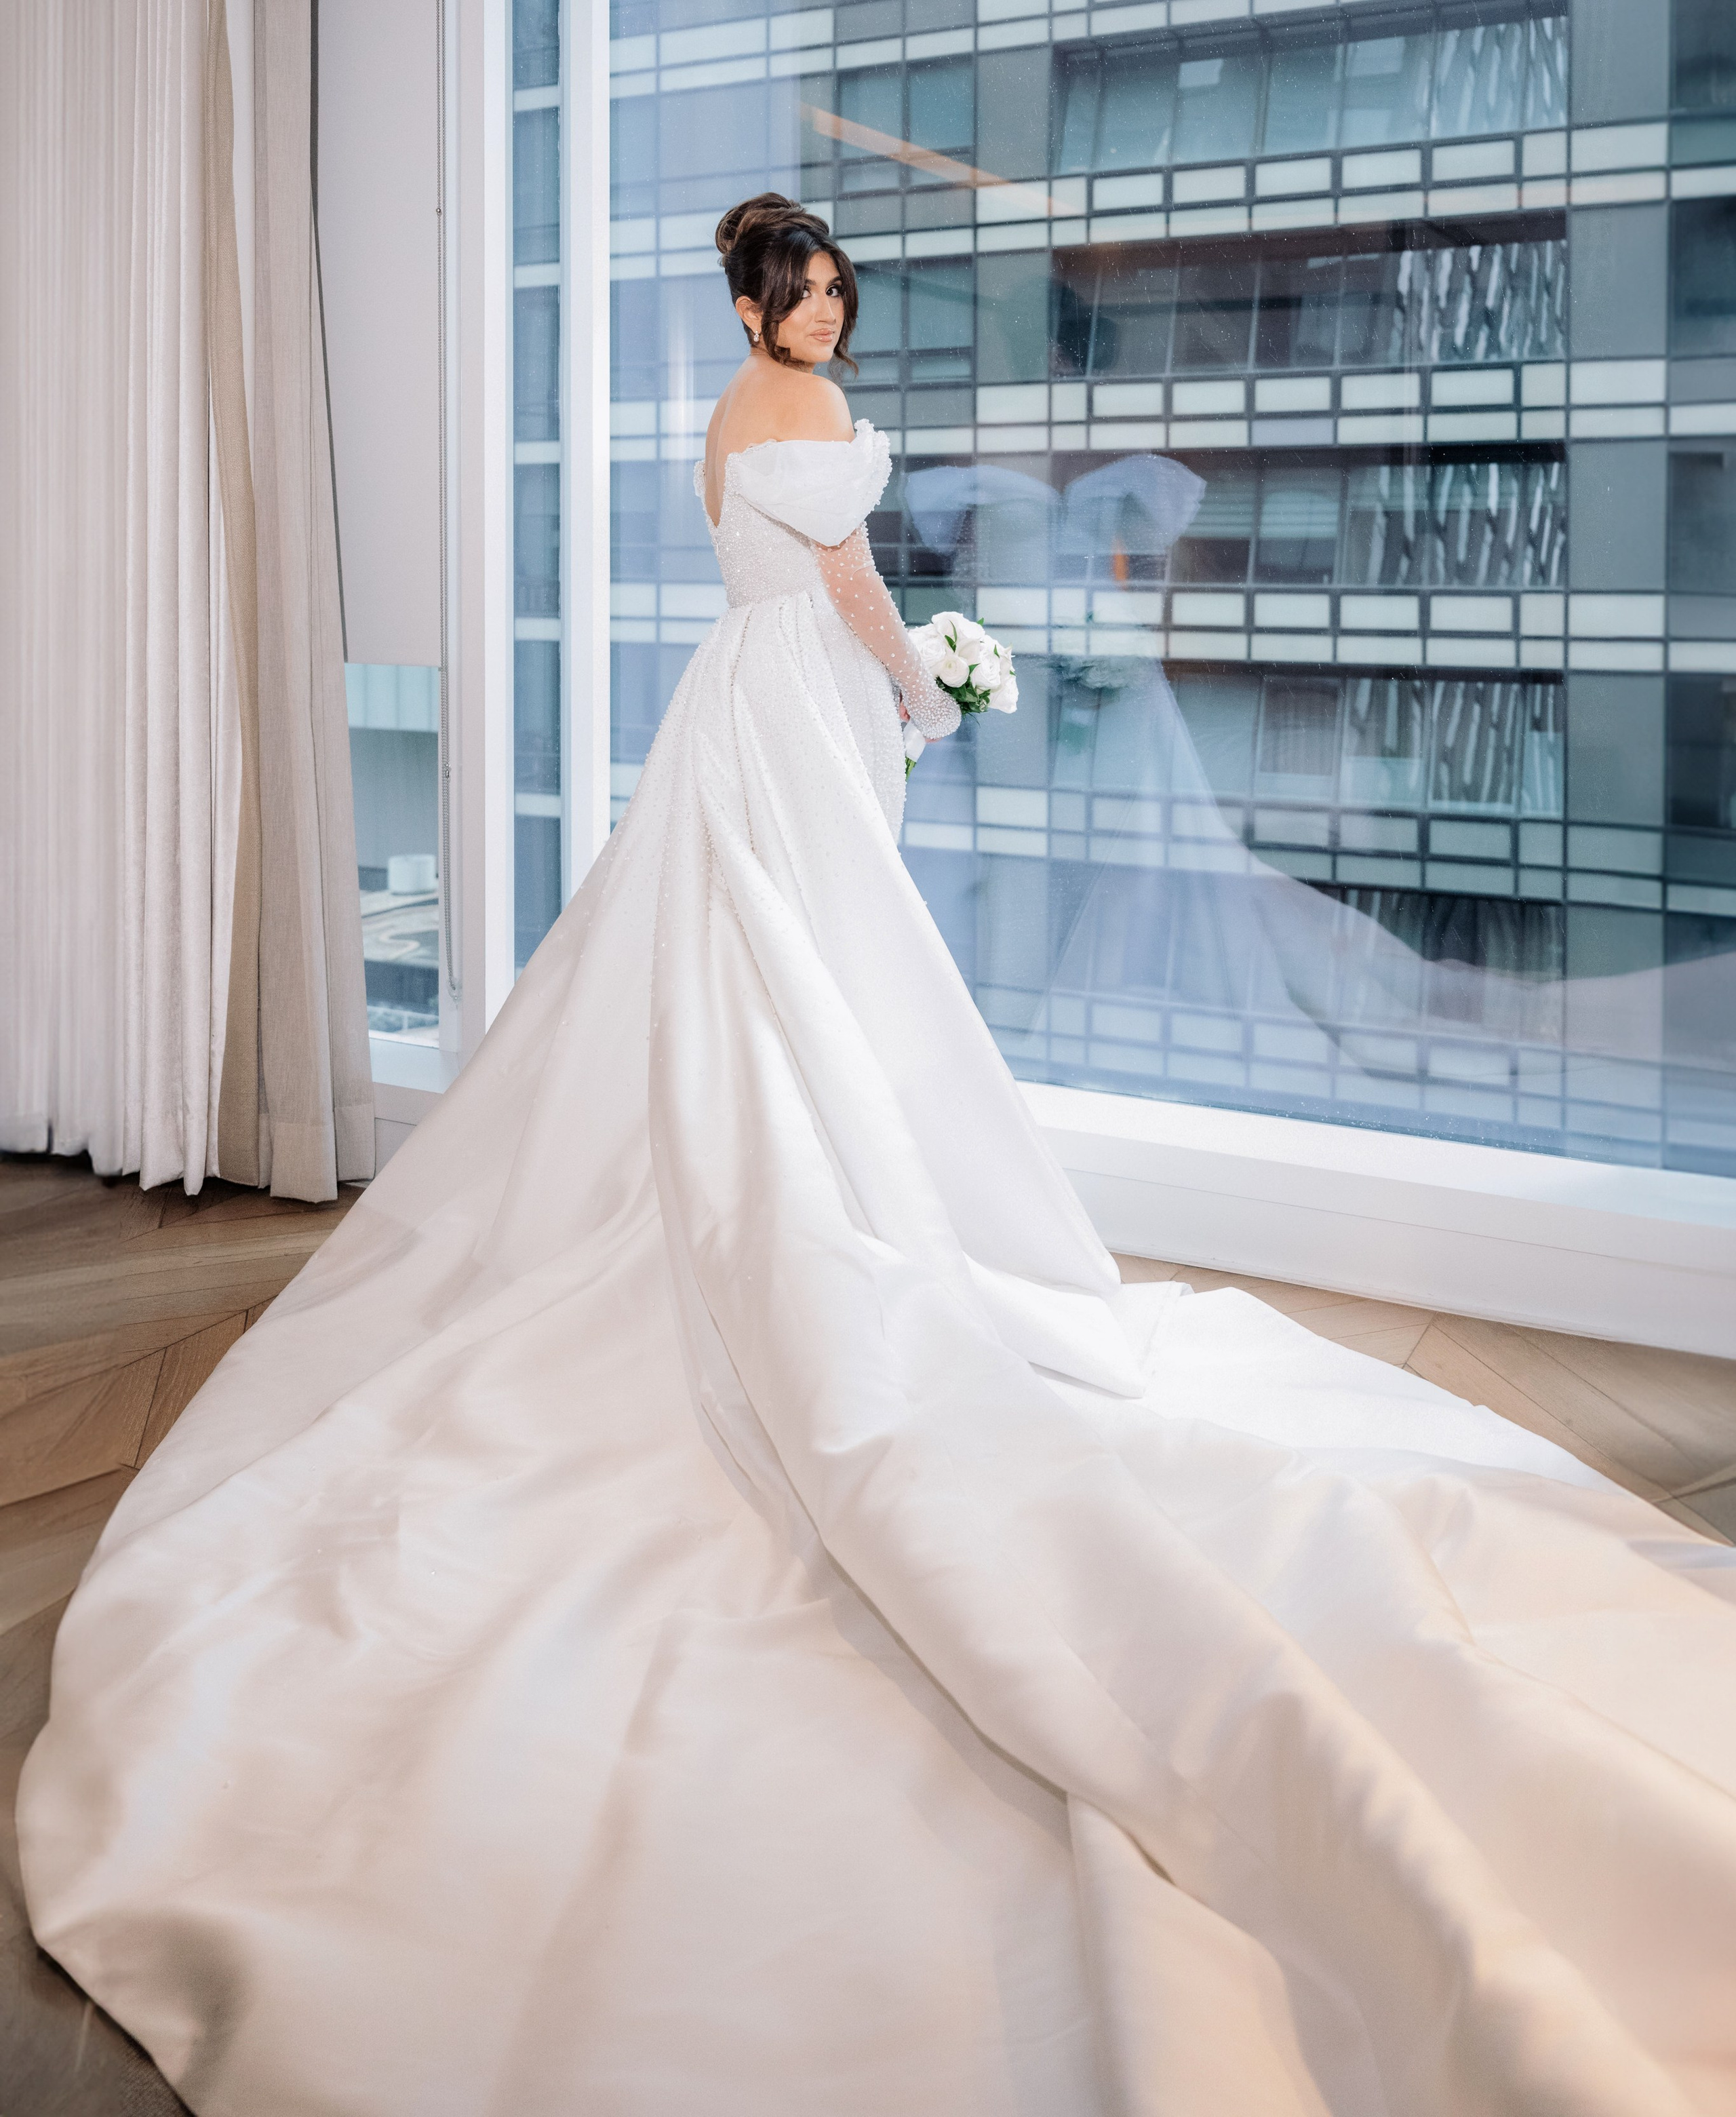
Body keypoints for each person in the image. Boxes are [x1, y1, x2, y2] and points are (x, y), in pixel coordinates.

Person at [19, 195, 1736, 2117]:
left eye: (838, 290)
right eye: (806, 289)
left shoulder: (731, 421)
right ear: (762, 301)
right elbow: (840, 586)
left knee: (774, 974)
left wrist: (893, 673)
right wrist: (923, 682)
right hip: (799, 702)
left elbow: (796, 574)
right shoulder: (788, 422)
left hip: (748, 711)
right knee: (806, 970)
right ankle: (808, 1217)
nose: (827, 310)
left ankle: (799, 1188)